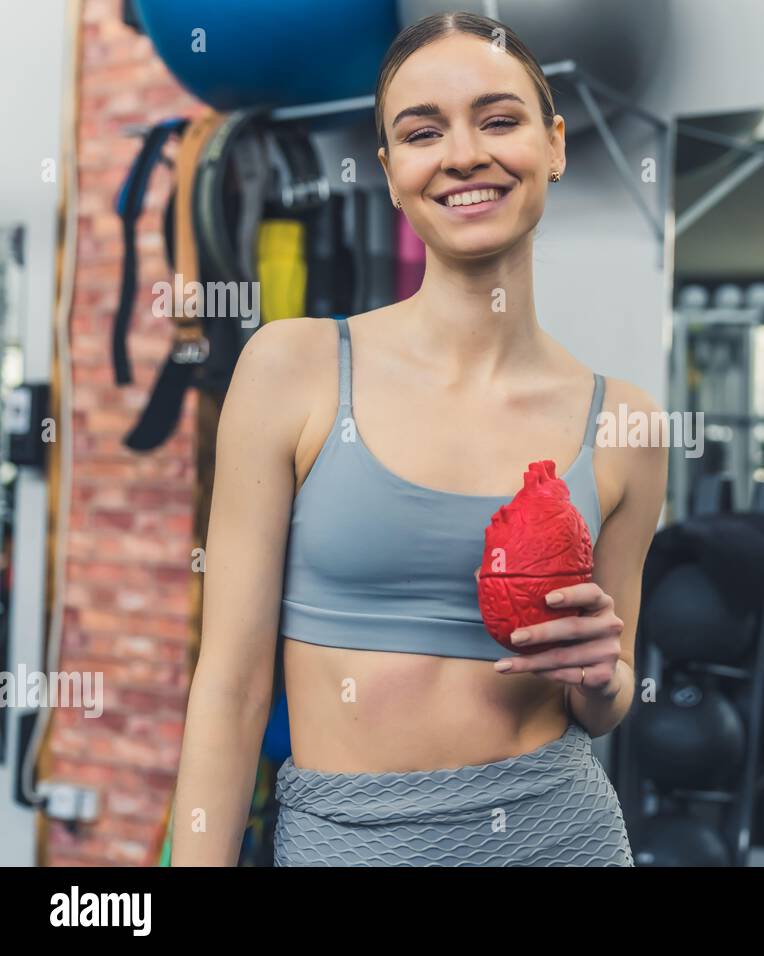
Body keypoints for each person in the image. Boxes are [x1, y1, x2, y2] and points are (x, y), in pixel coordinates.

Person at [170, 11, 667, 865]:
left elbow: (605, 699)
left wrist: (603, 676)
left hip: (558, 835)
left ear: (555, 145)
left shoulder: (624, 423)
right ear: (394, 173)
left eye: (500, 119)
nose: (465, 153)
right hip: (348, 843)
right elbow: (229, 688)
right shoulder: (295, 368)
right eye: (423, 131)